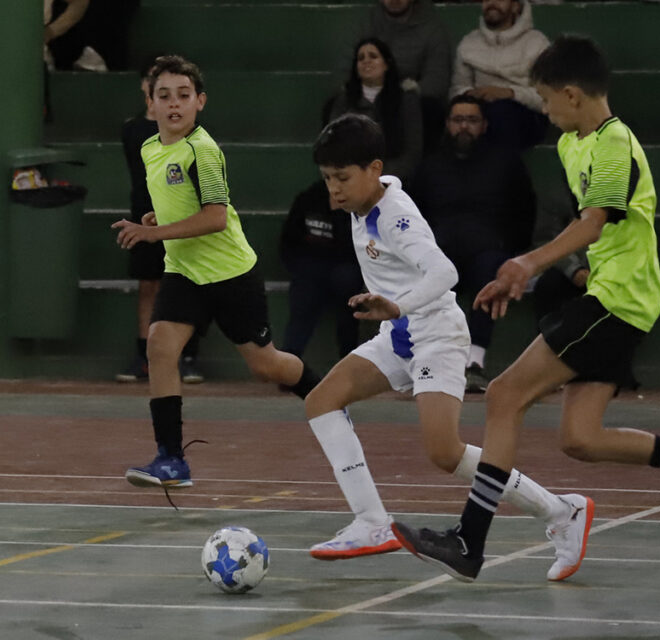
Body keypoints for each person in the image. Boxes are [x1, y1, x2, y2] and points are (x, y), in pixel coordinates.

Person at [391, 37, 660, 582]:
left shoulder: (615, 144)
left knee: (502, 395)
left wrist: (526, 265)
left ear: (571, 94)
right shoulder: (572, 145)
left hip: (618, 300)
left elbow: (593, 223)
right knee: (580, 439)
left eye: (546, 100)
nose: (545, 110)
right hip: (615, 300)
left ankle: (469, 540)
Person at [304, 113, 591, 583]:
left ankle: (561, 511)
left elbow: (445, 274)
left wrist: (397, 305)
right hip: (397, 338)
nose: (333, 188)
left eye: (342, 177)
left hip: (435, 335)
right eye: (327, 179)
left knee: (444, 452)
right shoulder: (364, 205)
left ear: (373, 169)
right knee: (322, 400)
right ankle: (372, 522)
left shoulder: (394, 217)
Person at [111, 56, 321, 488]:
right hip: (184, 271)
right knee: (160, 345)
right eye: (164, 96)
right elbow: (178, 202)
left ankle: (328, 396)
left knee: (267, 366)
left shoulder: (203, 152)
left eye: (183, 96)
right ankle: (171, 459)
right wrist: (157, 219)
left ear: (199, 102)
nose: (174, 104)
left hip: (230, 275)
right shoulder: (150, 147)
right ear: (150, 103)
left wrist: (154, 234)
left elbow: (215, 218)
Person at [408, 95, 536, 392]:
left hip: (488, 251)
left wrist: (511, 252)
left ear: (484, 125)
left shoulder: (506, 162)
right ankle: (431, 365)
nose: (464, 127)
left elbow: (524, 211)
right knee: (428, 275)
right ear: (447, 124)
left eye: (472, 120)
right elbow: (414, 214)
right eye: (457, 120)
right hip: (440, 252)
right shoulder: (430, 166)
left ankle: (474, 362)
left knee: (490, 270)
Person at [116, 60, 205, 384]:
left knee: (185, 285)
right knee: (149, 286)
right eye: (160, 90)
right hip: (145, 220)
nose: (171, 100)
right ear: (147, 92)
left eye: (179, 93)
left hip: (183, 221)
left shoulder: (195, 137)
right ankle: (145, 356)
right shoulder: (133, 130)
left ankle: (188, 356)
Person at [279, 179, 364, 360]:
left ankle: (348, 361)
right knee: (304, 293)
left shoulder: (360, 202)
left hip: (347, 267)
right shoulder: (309, 199)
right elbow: (288, 244)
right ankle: (290, 362)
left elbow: (358, 249)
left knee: (347, 285)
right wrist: (300, 266)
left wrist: (339, 212)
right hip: (310, 267)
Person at [450, 0, 551, 149]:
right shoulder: (469, 43)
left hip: (526, 115)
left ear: (516, 6)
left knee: (501, 113)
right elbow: (457, 88)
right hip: (480, 110)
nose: (492, 3)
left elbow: (547, 98)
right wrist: (471, 94)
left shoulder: (537, 44)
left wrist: (510, 93)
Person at [354, 0, 451, 150]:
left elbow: (438, 79)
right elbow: (347, 67)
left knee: (430, 109)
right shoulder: (365, 23)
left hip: (412, 97)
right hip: (370, 92)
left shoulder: (432, 26)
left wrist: (407, 93)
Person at [326, 38, 423, 183]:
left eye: (373, 56)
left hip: (395, 184)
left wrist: (383, 180)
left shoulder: (406, 100)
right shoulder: (343, 102)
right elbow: (333, 147)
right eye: (361, 58)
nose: (366, 61)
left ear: (386, 64)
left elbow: (412, 151)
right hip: (352, 184)